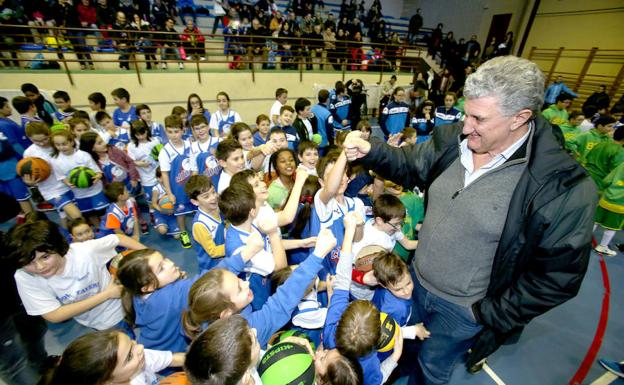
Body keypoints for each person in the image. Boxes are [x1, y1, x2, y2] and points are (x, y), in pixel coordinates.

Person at [343, 55, 597, 383]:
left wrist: (486, 312)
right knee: (397, 348)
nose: (466, 126)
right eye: (467, 114)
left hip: (461, 311)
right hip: (413, 282)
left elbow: (557, 278)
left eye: (478, 118)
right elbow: (410, 164)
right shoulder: (454, 141)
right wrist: (373, 151)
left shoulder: (562, 188)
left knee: (430, 372)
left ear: (519, 118)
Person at [10, 220, 144, 331]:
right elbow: (54, 315)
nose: (40, 267)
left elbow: (118, 238)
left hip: (130, 303)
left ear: (58, 247)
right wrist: (107, 294)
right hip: (103, 322)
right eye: (29, 262)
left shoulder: (84, 252)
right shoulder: (24, 276)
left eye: (45, 257)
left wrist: (150, 253)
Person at [186, 175, 226, 271]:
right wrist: (235, 245)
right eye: (206, 196)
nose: (213, 197)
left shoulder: (217, 208)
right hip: (212, 268)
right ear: (195, 202)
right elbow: (213, 251)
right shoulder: (200, 225)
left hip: (225, 258)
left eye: (213, 192)